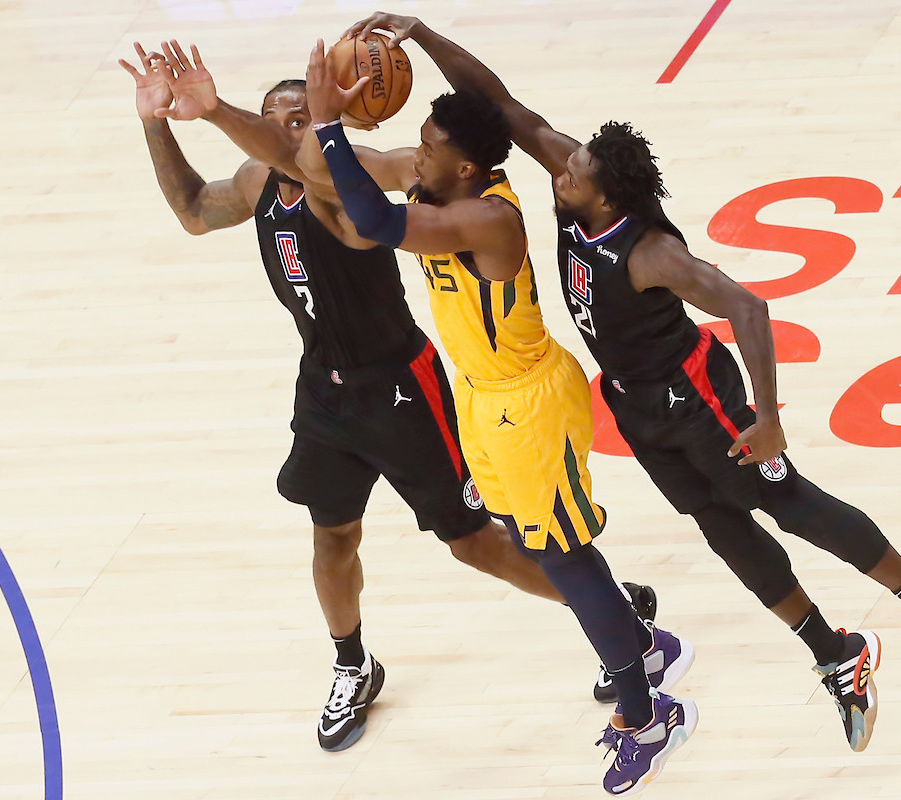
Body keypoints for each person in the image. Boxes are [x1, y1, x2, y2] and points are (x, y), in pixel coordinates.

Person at [349, 13, 901, 754]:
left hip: (695, 396)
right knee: (721, 529)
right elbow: (501, 104)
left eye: (575, 172)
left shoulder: (651, 251)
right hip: (635, 403)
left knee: (789, 504)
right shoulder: (576, 189)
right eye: (567, 162)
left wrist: (769, 418)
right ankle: (834, 653)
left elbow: (748, 307)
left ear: (605, 199)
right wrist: (426, 37)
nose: (560, 169)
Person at [118, 41, 658, 755]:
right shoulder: (263, 181)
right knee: (332, 535)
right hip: (330, 388)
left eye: (302, 118)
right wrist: (170, 117)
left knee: (482, 545)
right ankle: (353, 663)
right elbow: (195, 209)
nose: (288, 131)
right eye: (276, 119)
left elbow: (362, 192)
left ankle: (617, 628)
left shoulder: (396, 184)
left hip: (414, 386)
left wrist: (279, 120)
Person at [290, 39, 699, 796]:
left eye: (429, 149)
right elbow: (327, 172)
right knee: (540, 544)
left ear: (467, 169)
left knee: (564, 557)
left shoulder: (487, 219)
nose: (416, 155)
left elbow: (374, 221)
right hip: (480, 397)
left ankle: (649, 715)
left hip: (527, 404)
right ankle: (644, 650)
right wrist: (334, 115)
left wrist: (330, 126)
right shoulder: (440, 187)